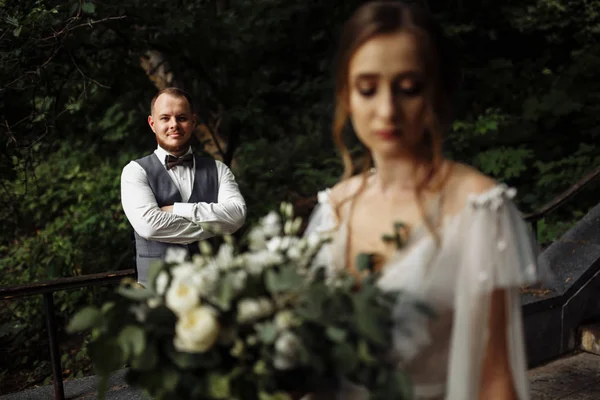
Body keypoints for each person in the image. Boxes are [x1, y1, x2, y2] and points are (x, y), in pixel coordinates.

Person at [305, 2, 545, 399]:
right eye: (367, 89)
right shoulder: (334, 208)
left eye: (409, 88)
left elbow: (495, 379)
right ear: (346, 95)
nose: (387, 110)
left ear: (436, 92)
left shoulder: (479, 208)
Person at [121, 88, 246, 286]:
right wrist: (218, 225)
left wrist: (177, 209)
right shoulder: (134, 172)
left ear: (193, 122)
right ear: (152, 124)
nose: (174, 125)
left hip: (213, 287)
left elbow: (237, 215)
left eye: (181, 118)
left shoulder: (219, 169)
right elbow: (150, 226)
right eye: (165, 118)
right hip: (158, 294)